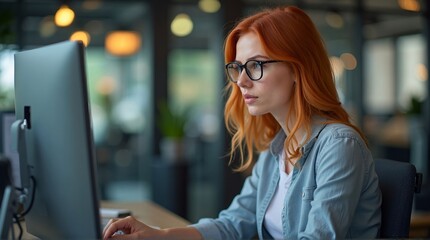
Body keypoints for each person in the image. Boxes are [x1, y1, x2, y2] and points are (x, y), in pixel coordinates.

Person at [103, 5, 381, 240]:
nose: (242, 81)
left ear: (299, 69)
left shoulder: (338, 145)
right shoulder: (277, 149)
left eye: (257, 65)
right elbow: (234, 223)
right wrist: (161, 235)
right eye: (238, 67)